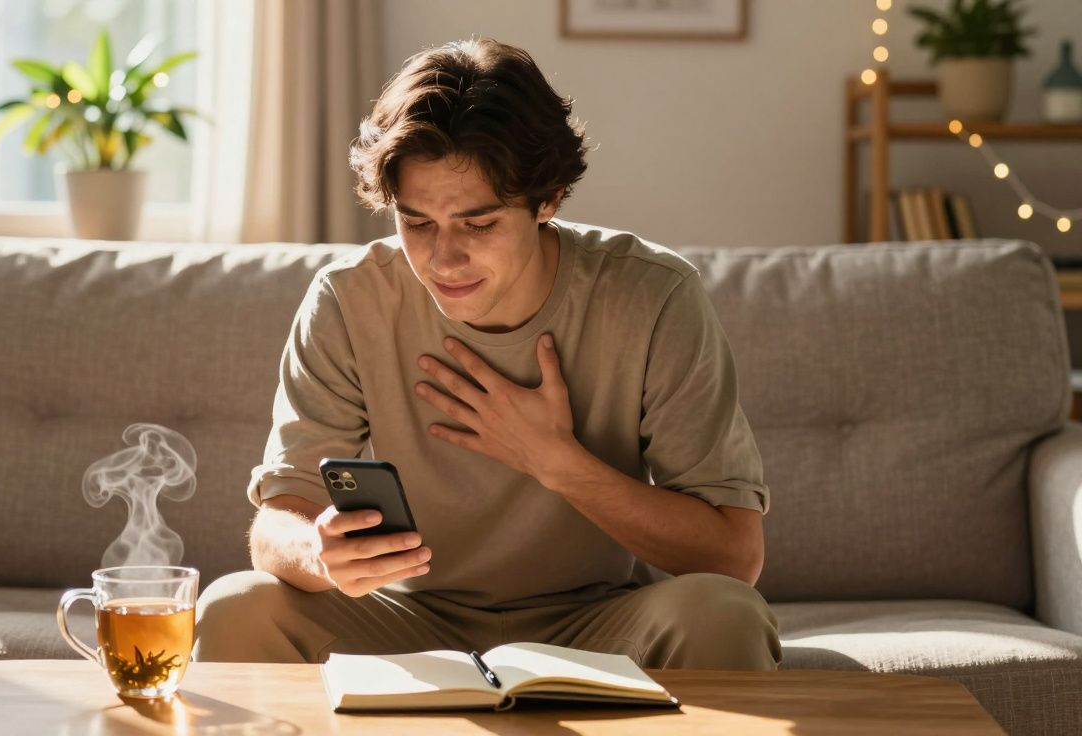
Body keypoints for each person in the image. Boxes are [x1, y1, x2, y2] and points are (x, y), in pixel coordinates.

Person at [195, 37, 781, 671]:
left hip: (598, 619)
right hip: (405, 619)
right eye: (416, 222)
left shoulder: (654, 296)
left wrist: (555, 461)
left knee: (725, 614)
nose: (443, 260)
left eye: (478, 224)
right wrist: (320, 551)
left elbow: (733, 557)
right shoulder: (348, 299)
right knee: (236, 605)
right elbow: (278, 522)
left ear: (548, 199)